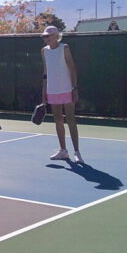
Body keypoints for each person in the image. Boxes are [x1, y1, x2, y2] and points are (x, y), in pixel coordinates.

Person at [40, 26, 83, 163]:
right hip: (52, 90)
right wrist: (44, 91)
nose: (46, 38)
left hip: (67, 88)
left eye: (48, 36)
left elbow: (72, 68)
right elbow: (46, 72)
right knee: (58, 119)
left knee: (71, 119)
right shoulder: (44, 51)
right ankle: (63, 151)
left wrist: (74, 88)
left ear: (55, 36)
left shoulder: (64, 48)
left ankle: (77, 152)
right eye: (44, 36)